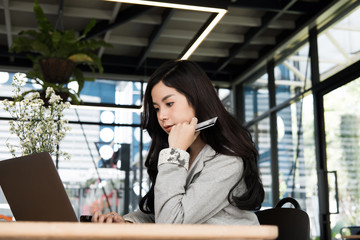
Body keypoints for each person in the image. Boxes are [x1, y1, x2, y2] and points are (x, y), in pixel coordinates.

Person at [92, 59, 264, 224]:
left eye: (169, 103)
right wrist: (128, 223)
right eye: (157, 108)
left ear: (197, 99)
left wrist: (175, 153)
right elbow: (161, 212)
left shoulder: (227, 161)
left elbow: (170, 223)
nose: (161, 116)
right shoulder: (184, 152)